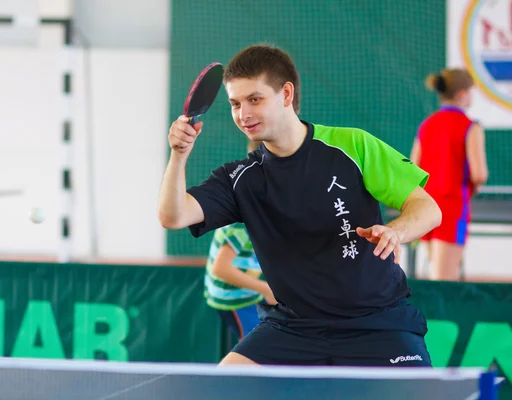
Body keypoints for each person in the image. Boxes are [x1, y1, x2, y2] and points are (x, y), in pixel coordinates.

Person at [158, 44, 442, 367]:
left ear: (287, 94)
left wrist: (395, 231)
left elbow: (428, 209)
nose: (243, 114)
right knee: (223, 386)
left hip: (378, 324)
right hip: (294, 329)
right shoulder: (240, 179)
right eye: (235, 104)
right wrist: (179, 156)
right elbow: (173, 215)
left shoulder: (352, 146)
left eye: (254, 99)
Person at [410, 69, 488, 281]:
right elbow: (479, 173)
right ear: (462, 94)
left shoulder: (427, 125)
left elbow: (412, 167)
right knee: (443, 282)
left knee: (435, 273)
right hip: (451, 208)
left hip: (424, 206)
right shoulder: (470, 127)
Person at [204, 140, 277, 342]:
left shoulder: (269, 206)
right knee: (253, 345)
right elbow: (221, 268)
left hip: (251, 288)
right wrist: (265, 289)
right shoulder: (243, 219)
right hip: (233, 297)